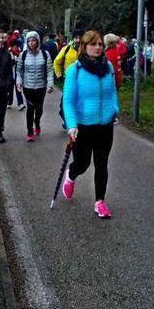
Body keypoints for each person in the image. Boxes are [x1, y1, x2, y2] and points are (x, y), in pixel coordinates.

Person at [61, 30, 120, 219]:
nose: (98, 47)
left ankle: (100, 202)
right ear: (84, 46)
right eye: (93, 44)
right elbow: (68, 101)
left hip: (105, 126)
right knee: (82, 163)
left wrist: (115, 110)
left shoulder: (108, 66)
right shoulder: (75, 70)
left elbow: (112, 92)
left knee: (102, 164)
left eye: (100, 44)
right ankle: (71, 174)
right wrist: (71, 125)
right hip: (83, 127)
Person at [16, 31, 54, 141]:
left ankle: (37, 122)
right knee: (30, 108)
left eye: (33, 40)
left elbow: (50, 70)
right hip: (28, 86)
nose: (31, 43)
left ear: (37, 41)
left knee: (39, 108)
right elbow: (19, 71)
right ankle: (30, 131)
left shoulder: (45, 54)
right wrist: (19, 83)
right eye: (29, 41)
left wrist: (50, 84)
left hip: (41, 86)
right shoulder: (23, 55)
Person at [54, 29, 83, 129]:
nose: (78, 40)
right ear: (73, 38)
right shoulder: (67, 49)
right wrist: (59, 75)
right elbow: (57, 61)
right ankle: (65, 118)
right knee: (66, 100)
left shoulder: (87, 50)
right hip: (68, 79)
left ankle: (78, 121)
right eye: (76, 37)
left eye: (80, 37)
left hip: (83, 80)